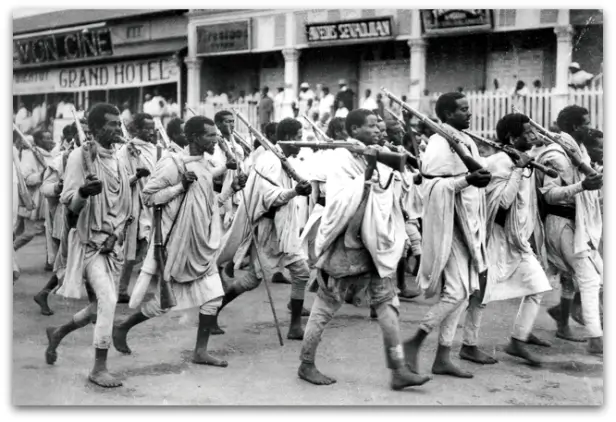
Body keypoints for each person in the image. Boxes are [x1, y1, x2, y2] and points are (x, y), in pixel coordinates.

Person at [297, 108, 430, 390]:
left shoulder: (376, 151)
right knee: (325, 306)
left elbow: (391, 191)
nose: (378, 130)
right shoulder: (341, 158)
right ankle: (306, 364)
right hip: (347, 243)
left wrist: (384, 164)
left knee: (387, 304)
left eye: (378, 125)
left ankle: (398, 369)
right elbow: (340, 203)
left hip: (374, 243)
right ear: (353, 130)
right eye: (371, 126)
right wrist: (368, 169)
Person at [113, 116, 248, 368]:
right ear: (195, 137)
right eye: (210, 135)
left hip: (201, 245)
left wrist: (231, 190)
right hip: (179, 245)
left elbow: (209, 205)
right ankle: (123, 327)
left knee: (213, 298)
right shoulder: (172, 164)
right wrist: (179, 188)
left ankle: (200, 351)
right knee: (164, 303)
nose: (216, 139)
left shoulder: (205, 165)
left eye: (217, 135)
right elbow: (148, 197)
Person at [45, 103, 138, 388]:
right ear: (95, 128)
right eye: (110, 124)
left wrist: (117, 234)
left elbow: (125, 207)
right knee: (109, 300)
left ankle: (58, 332)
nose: (116, 128)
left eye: (117, 123)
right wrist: (84, 194)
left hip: (112, 244)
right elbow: (70, 210)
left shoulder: (121, 160)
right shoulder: (78, 157)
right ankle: (99, 368)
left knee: (99, 307)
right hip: (87, 244)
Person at [404, 92, 492, 379]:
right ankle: (414, 341)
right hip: (449, 226)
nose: (469, 113)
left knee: (464, 293)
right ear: (447, 113)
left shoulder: (464, 140)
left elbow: (478, 172)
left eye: (469, 108)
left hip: (470, 225)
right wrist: (467, 180)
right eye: (463, 110)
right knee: (456, 292)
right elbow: (432, 187)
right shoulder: (441, 144)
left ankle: (443, 356)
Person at [215, 118, 313, 339]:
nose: (302, 142)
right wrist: (295, 191)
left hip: (281, 230)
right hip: (270, 231)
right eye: (299, 136)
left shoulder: (281, 158)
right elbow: (270, 198)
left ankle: (295, 327)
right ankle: (211, 312)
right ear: (288, 137)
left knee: (299, 273)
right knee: (255, 279)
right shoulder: (271, 161)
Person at [469, 113, 553, 366]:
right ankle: (468, 345)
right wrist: (517, 169)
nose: (533, 136)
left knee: (538, 287)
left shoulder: (524, 161)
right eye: (526, 133)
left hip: (518, 240)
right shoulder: (498, 162)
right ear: (511, 137)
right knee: (482, 295)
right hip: (495, 237)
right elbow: (502, 203)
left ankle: (518, 341)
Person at [535, 105, 603, 355]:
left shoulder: (578, 151)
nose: (590, 126)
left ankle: (559, 324)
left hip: (577, 222)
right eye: (586, 122)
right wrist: (582, 186)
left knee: (581, 278)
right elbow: (550, 195)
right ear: (575, 127)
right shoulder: (558, 155)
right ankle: (596, 338)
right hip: (561, 222)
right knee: (590, 279)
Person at [34, 121, 89, 315]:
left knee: (78, 261)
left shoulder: (98, 156)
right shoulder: (63, 159)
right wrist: (59, 186)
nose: (88, 137)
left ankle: (95, 307)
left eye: (91, 132)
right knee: (69, 260)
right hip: (68, 216)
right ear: (73, 137)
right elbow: (45, 188)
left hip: (91, 216)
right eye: (84, 133)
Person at [115, 114, 157, 304]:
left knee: (152, 247)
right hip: (133, 204)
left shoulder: (156, 150)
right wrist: (136, 177)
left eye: (153, 127)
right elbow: (118, 180)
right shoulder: (125, 151)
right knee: (130, 251)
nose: (151, 131)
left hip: (153, 203)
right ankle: (121, 289)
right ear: (136, 130)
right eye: (147, 128)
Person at [14, 129, 57, 269]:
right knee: (29, 233)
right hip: (38, 200)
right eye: (46, 138)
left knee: (51, 231)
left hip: (50, 197)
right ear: (38, 141)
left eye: (51, 137)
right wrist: (42, 175)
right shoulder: (30, 156)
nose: (50, 140)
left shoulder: (53, 154)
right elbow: (25, 178)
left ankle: (50, 262)